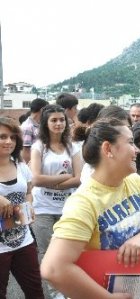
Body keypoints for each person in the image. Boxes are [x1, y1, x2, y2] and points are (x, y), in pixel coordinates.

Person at [40, 118, 140, 299]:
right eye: (131, 142)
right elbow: (53, 268)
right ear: (108, 149)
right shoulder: (84, 202)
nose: (137, 149)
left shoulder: (137, 182)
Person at [29, 104, 82, 298]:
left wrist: (51, 182)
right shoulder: (38, 147)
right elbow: (36, 178)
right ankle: (55, 293)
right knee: (46, 251)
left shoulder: (73, 146)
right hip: (42, 208)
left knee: (69, 252)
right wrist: (64, 179)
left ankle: (70, 290)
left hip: (68, 208)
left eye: (62, 119)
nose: (59, 123)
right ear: (46, 122)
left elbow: (79, 178)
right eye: (54, 120)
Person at [0, 117, 45, 299]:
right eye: (2, 137)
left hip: (23, 239)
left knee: (35, 289)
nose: (8, 141)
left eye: (12, 137)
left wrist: (29, 205)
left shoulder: (19, 166)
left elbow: (28, 191)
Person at [20, 98, 49, 163]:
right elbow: (26, 152)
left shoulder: (37, 125)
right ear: (42, 110)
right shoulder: (27, 127)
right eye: (47, 111)